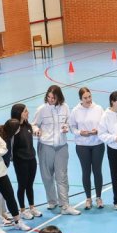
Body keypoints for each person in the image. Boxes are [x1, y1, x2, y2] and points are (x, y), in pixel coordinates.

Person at [33, 86, 80, 215]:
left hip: (61, 147)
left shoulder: (65, 107)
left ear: (59, 96)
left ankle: (65, 205)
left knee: (62, 176)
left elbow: (69, 122)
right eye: (48, 97)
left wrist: (66, 126)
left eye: (53, 98)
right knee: (47, 176)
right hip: (45, 146)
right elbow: (34, 124)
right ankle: (52, 201)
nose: (50, 100)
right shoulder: (41, 109)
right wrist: (36, 130)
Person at [70, 87, 106, 210]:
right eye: (85, 98)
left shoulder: (99, 109)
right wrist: (80, 132)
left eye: (89, 96)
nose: (88, 99)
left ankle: (99, 197)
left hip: (97, 144)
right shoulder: (75, 111)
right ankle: (88, 198)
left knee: (97, 171)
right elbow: (72, 128)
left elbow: (104, 125)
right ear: (80, 99)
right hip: (82, 146)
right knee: (86, 171)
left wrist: (98, 130)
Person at [10, 103, 41, 220]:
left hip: (31, 159)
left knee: (30, 184)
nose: (28, 113)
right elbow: (11, 145)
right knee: (22, 185)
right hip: (20, 161)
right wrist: (12, 158)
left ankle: (32, 207)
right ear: (19, 113)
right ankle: (22, 209)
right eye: (25, 111)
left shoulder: (28, 126)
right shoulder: (14, 128)